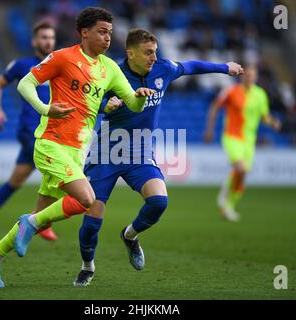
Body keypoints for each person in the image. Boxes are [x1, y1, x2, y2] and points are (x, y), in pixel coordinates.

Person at [0, 7, 155, 288]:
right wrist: (45, 108)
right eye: (102, 31)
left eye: (110, 32)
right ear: (85, 33)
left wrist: (141, 97)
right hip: (50, 145)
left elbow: (132, 103)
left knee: (42, 219)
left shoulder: (109, 69)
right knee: (87, 198)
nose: (108, 38)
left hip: (75, 151)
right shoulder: (63, 57)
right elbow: (26, 83)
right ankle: (28, 223)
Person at [73, 28, 244, 286]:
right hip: (107, 151)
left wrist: (224, 67)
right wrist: (105, 106)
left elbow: (190, 66)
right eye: (148, 53)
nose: (154, 57)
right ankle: (87, 266)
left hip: (140, 152)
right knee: (93, 217)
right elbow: (87, 103)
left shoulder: (163, 69)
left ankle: (130, 236)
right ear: (130, 53)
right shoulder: (111, 75)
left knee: (159, 202)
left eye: (155, 52)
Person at [0, 21, 58, 244]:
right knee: (58, 172)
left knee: (16, 181)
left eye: (51, 37)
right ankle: (40, 221)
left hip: (50, 131)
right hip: (31, 130)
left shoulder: (59, 65)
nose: (48, 41)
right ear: (34, 41)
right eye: (43, 37)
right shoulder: (22, 65)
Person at [204, 65, 281, 221]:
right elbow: (215, 107)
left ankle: (228, 206)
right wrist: (209, 130)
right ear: (242, 76)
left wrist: (273, 122)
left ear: (256, 77)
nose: (249, 78)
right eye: (247, 75)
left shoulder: (260, 94)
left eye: (253, 76)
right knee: (240, 168)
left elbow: (264, 116)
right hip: (232, 136)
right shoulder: (231, 91)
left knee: (242, 174)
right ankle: (225, 195)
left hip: (249, 141)